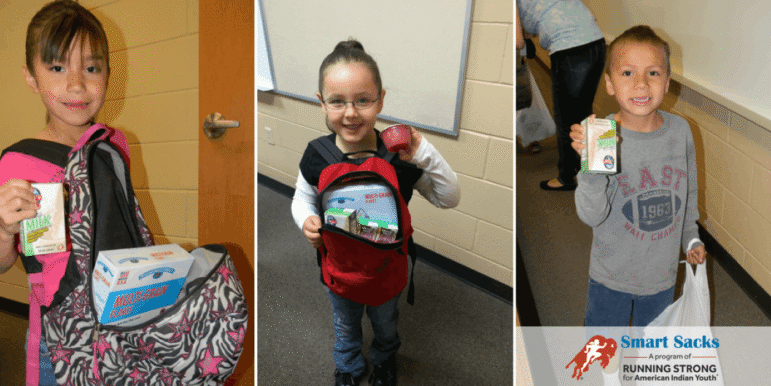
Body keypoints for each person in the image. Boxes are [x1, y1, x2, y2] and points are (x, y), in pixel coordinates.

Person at [291, 39, 460, 386]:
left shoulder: (399, 157)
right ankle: (348, 366)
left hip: (386, 271)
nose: (350, 113)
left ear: (381, 100)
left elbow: (448, 198)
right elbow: (302, 198)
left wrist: (424, 152)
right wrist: (305, 220)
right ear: (321, 102)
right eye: (337, 101)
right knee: (345, 323)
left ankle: (384, 361)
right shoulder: (316, 155)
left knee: (386, 323)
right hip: (339, 271)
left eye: (363, 100)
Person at [0, 1, 131, 385]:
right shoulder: (16, 162)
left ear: (107, 73)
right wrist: (5, 229)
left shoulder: (112, 144)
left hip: (119, 325)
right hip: (58, 338)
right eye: (57, 68)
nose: (77, 85)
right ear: (31, 77)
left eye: (91, 68)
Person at [571, 25, 706, 385]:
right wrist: (589, 165)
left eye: (653, 73)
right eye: (628, 73)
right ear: (610, 83)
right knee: (603, 353)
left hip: (661, 277)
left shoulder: (680, 131)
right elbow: (591, 214)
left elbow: (686, 194)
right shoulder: (603, 135)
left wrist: (690, 238)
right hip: (610, 276)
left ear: (667, 81)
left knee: (650, 358)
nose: (641, 84)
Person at [517, 0, 606, 191]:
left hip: (569, 48)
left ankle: (566, 177)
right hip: (596, 40)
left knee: (565, 117)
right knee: (585, 112)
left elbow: (517, 41)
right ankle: (600, 172)